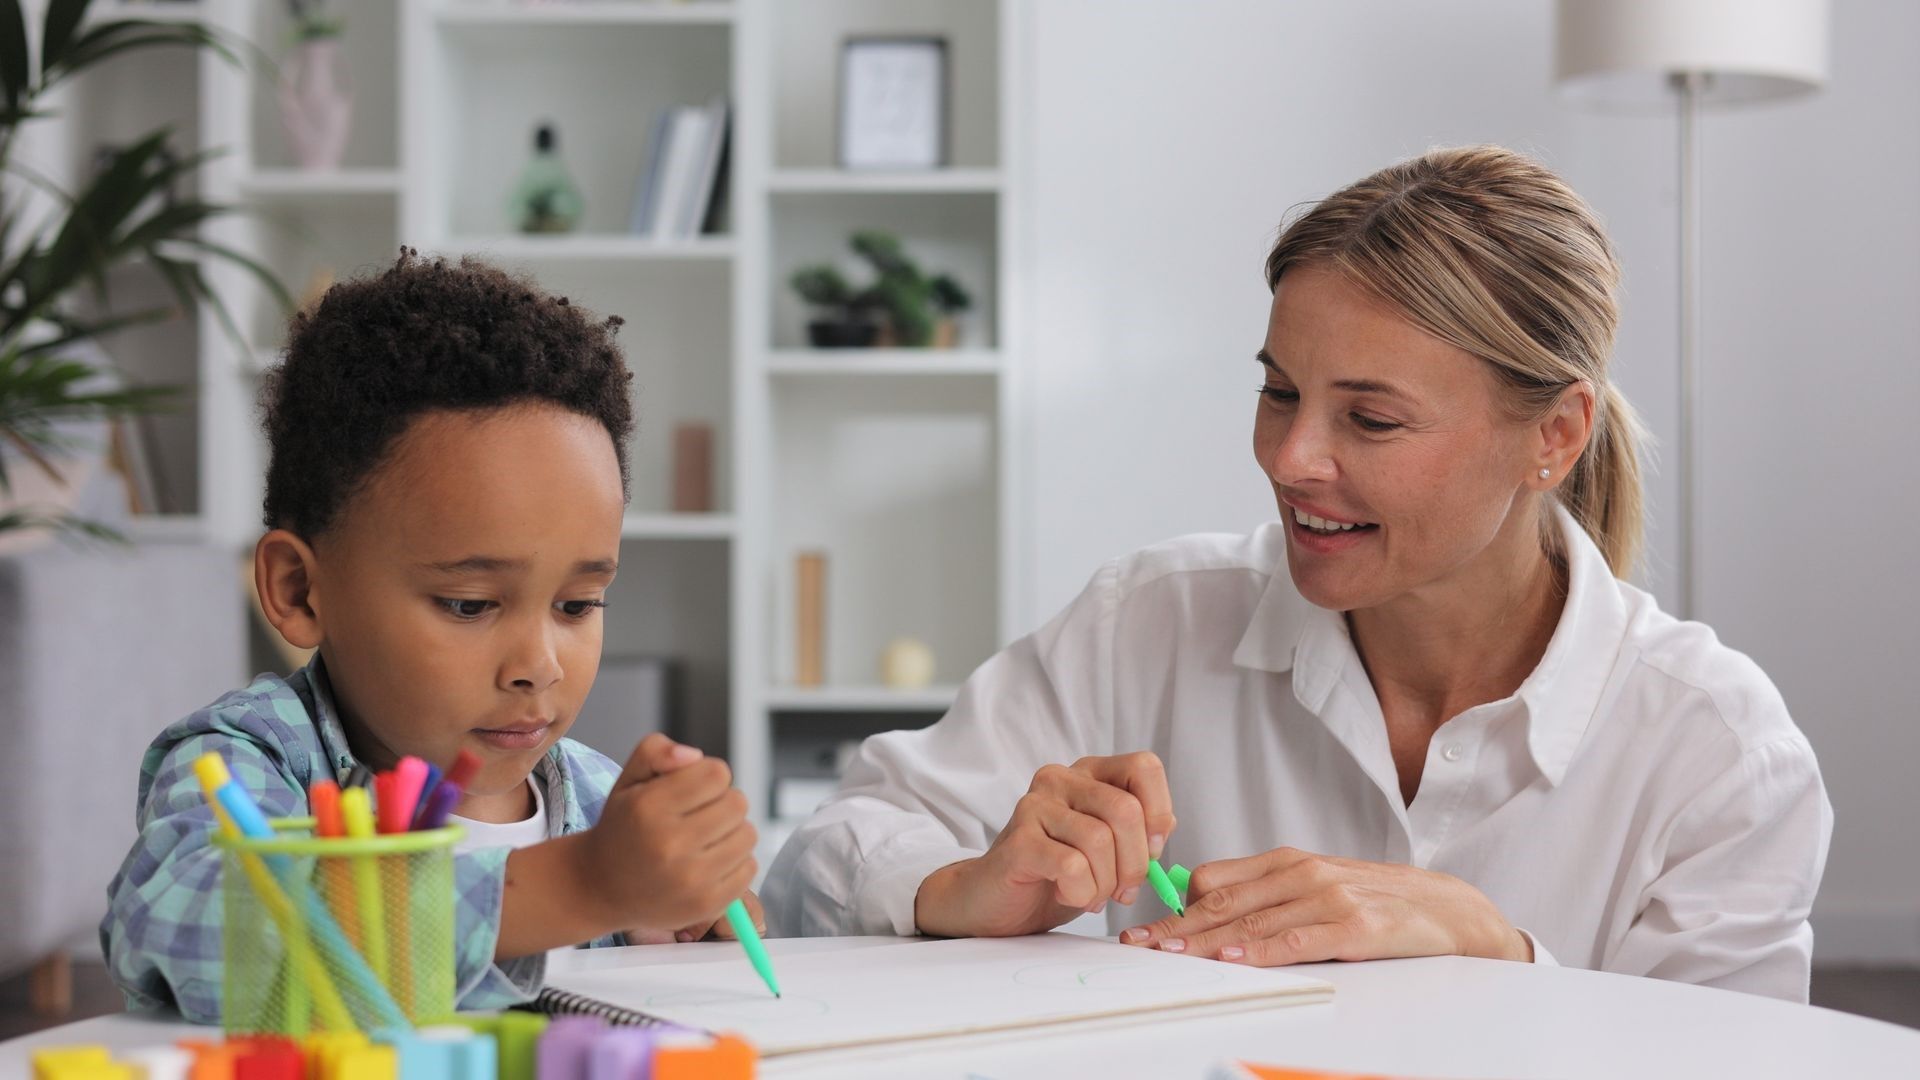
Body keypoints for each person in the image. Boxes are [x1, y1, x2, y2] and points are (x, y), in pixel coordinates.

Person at [765, 146, 1831, 1002]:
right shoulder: (1150, 621)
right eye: (1280, 394)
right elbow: (825, 857)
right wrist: (969, 887)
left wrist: (1496, 953)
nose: (1289, 459)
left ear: (1553, 436)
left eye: (1370, 418)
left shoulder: (1719, 754)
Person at [103, 251, 761, 1022]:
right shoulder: (252, 761)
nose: (538, 666)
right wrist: (580, 888)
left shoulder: (593, 796)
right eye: (469, 604)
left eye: (579, 604)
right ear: (299, 589)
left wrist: (687, 915)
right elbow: (181, 922)